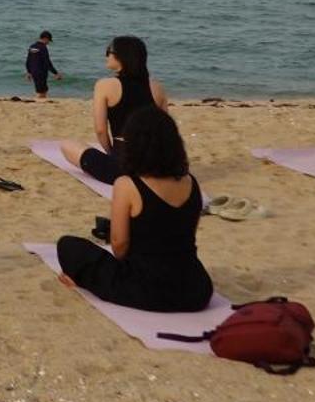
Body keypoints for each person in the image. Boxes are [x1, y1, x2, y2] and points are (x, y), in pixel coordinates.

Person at [55, 107, 214, 311]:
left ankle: (84, 281)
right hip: (195, 289)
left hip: (147, 289)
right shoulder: (191, 182)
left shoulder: (127, 185)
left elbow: (119, 245)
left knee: (68, 246)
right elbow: (186, 235)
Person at [57, 35, 168, 185]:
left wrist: (110, 153)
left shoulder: (105, 85)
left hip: (125, 167)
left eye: (109, 51)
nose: (106, 56)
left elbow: (100, 130)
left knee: (67, 145)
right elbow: (166, 132)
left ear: (122, 56)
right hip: (155, 165)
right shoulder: (158, 87)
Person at [26, 31, 60, 98]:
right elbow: (47, 62)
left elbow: (28, 61)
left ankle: (40, 101)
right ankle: (39, 102)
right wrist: (56, 73)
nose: (48, 43)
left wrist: (29, 72)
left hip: (34, 72)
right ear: (45, 38)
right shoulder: (43, 48)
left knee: (40, 89)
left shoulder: (32, 46)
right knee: (42, 91)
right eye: (48, 40)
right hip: (41, 72)